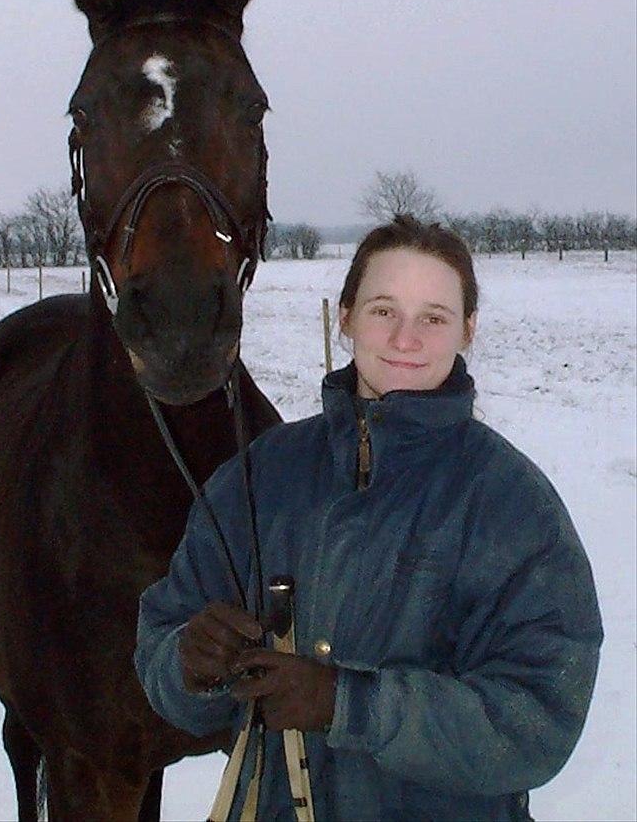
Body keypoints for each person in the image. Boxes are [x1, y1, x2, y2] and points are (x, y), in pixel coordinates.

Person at [134, 216, 603, 822]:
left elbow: (538, 721)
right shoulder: (261, 475)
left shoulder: (512, 505)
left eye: (433, 317)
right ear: (346, 317)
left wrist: (346, 704)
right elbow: (161, 646)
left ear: (467, 330)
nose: (406, 338)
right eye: (384, 310)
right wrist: (187, 662)